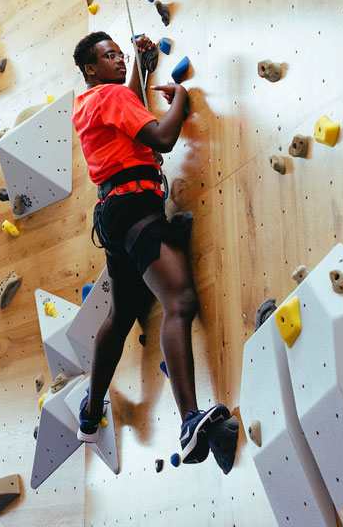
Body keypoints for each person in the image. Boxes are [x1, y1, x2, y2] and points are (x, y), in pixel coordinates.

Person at [70, 32, 229, 464]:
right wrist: (181, 97)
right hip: (137, 206)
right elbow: (160, 138)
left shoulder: (87, 104)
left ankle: (89, 412)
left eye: (120, 54)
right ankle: (190, 420)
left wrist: (140, 64)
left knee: (121, 314)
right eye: (109, 56)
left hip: (113, 214)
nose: (118, 60)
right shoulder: (111, 96)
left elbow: (128, 106)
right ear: (90, 68)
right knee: (179, 300)